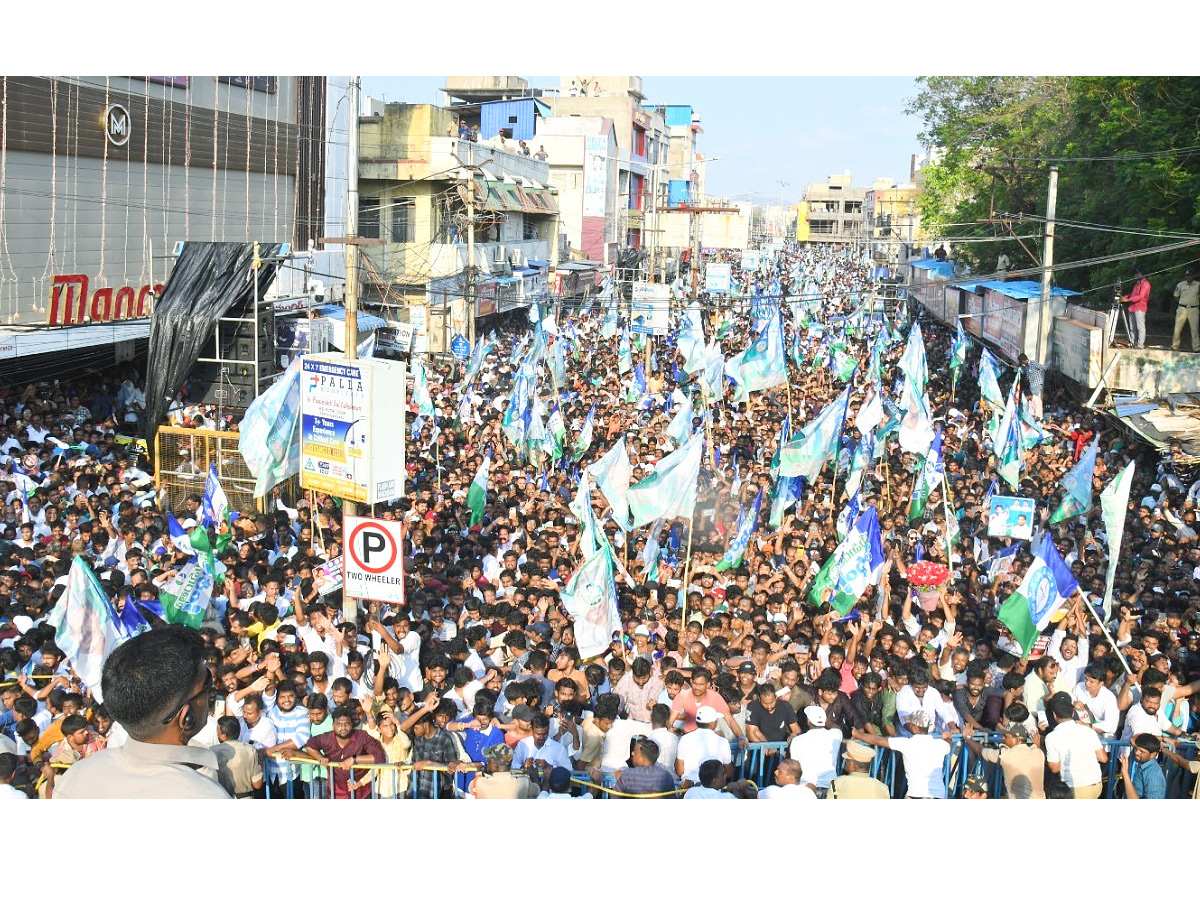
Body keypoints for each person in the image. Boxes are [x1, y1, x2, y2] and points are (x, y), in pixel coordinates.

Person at [51, 626, 231, 799]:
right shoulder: (206, 796)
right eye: (206, 682)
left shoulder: (77, 775)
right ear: (186, 718)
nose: (211, 689)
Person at [853, 711, 952, 799]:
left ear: (914, 727)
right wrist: (947, 737)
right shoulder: (940, 745)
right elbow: (949, 744)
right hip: (938, 795)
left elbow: (877, 740)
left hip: (915, 794)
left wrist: (857, 734)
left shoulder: (907, 744)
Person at [1043, 692, 1107, 799]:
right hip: (1096, 785)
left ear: (1054, 715)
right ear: (1073, 713)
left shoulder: (1051, 737)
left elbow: (1054, 768)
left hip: (1073, 788)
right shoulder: (1089, 731)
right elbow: (1103, 758)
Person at [676, 705, 732, 787]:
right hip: (712, 789)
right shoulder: (723, 742)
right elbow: (729, 772)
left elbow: (680, 771)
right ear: (711, 724)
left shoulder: (684, 739)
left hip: (688, 787)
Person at [212, 715, 264, 799]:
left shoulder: (213, 752)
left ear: (224, 736)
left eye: (217, 732)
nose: (216, 734)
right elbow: (257, 784)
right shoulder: (251, 750)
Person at [470, 741, 536, 799]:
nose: (487, 763)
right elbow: (537, 790)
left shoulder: (479, 782)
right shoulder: (524, 782)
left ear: (496, 765)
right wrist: (533, 774)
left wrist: (481, 773)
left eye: (488, 760)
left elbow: (471, 788)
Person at [1119, 732, 1166, 799]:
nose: (1136, 753)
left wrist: (1125, 773)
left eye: (1142, 751)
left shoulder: (1153, 775)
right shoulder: (1144, 765)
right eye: (1136, 749)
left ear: (1153, 754)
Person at [1121, 268, 1151, 348]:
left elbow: (1141, 296)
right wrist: (1124, 297)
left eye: (1137, 274)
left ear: (1141, 274)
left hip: (1139, 307)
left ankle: (1140, 345)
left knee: (1140, 327)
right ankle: (1132, 342)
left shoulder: (1146, 284)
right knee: (1132, 327)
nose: (1135, 275)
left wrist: (1127, 299)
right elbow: (1132, 294)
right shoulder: (1137, 284)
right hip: (1132, 307)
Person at [1173, 267, 1200, 351]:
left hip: (1193, 309)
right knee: (1177, 328)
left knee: (1194, 329)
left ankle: (1196, 348)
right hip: (1182, 308)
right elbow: (1175, 296)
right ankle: (1175, 346)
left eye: (1190, 276)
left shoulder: (1198, 284)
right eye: (1187, 276)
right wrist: (1181, 303)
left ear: (1193, 276)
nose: (1189, 277)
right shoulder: (1180, 284)